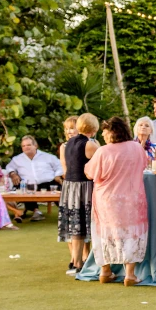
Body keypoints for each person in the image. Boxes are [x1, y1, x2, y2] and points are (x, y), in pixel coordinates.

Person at [84, 116, 148, 285]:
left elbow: (90, 173)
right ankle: (130, 274)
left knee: (104, 233)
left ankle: (106, 271)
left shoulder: (103, 151)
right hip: (132, 198)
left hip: (107, 199)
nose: (104, 136)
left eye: (106, 133)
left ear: (114, 132)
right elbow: (144, 165)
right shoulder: (136, 148)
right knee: (131, 233)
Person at [59, 113, 100, 275]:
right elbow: (102, 164)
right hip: (83, 187)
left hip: (69, 186)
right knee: (83, 225)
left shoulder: (68, 143)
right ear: (94, 128)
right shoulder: (89, 145)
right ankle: (81, 263)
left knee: (75, 226)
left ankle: (76, 262)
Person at [6, 135, 63, 221]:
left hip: (47, 183)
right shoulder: (17, 159)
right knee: (24, 189)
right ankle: (36, 211)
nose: (26, 147)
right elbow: (9, 167)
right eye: (23, 146)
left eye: (28, 145)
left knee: (59, 190)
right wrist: (13, 173)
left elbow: (59, 166)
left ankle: (66, 212)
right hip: (28, 185)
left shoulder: (48, 157)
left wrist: (57, 175)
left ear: (35, 145)